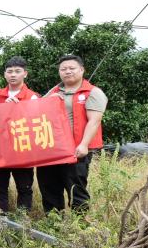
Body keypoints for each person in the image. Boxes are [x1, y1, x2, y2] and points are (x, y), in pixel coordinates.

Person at [37, 55, 107, 213]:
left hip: (76, 150)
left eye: (72, 68)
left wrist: (84, 145)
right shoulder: (55, 90)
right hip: (52, 149)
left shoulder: (93, 92)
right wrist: (49, 100)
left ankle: (80, 224)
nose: (67, 71)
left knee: (76, 189)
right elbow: (37, 110)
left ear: (82, 70)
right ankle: (54, 222)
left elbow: (94, 121)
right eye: (63, 69)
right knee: (49, 187)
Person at [0, 56, 39, 213]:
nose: (13, 75)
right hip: (0, 150)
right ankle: (0, 218)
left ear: (25, 73)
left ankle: (23, 219)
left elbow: (35, 122)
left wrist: (19, 110)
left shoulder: (32, 96)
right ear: (5, 74)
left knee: (24, 188)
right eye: (9, 71)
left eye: (17, 71)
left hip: (23, 150)